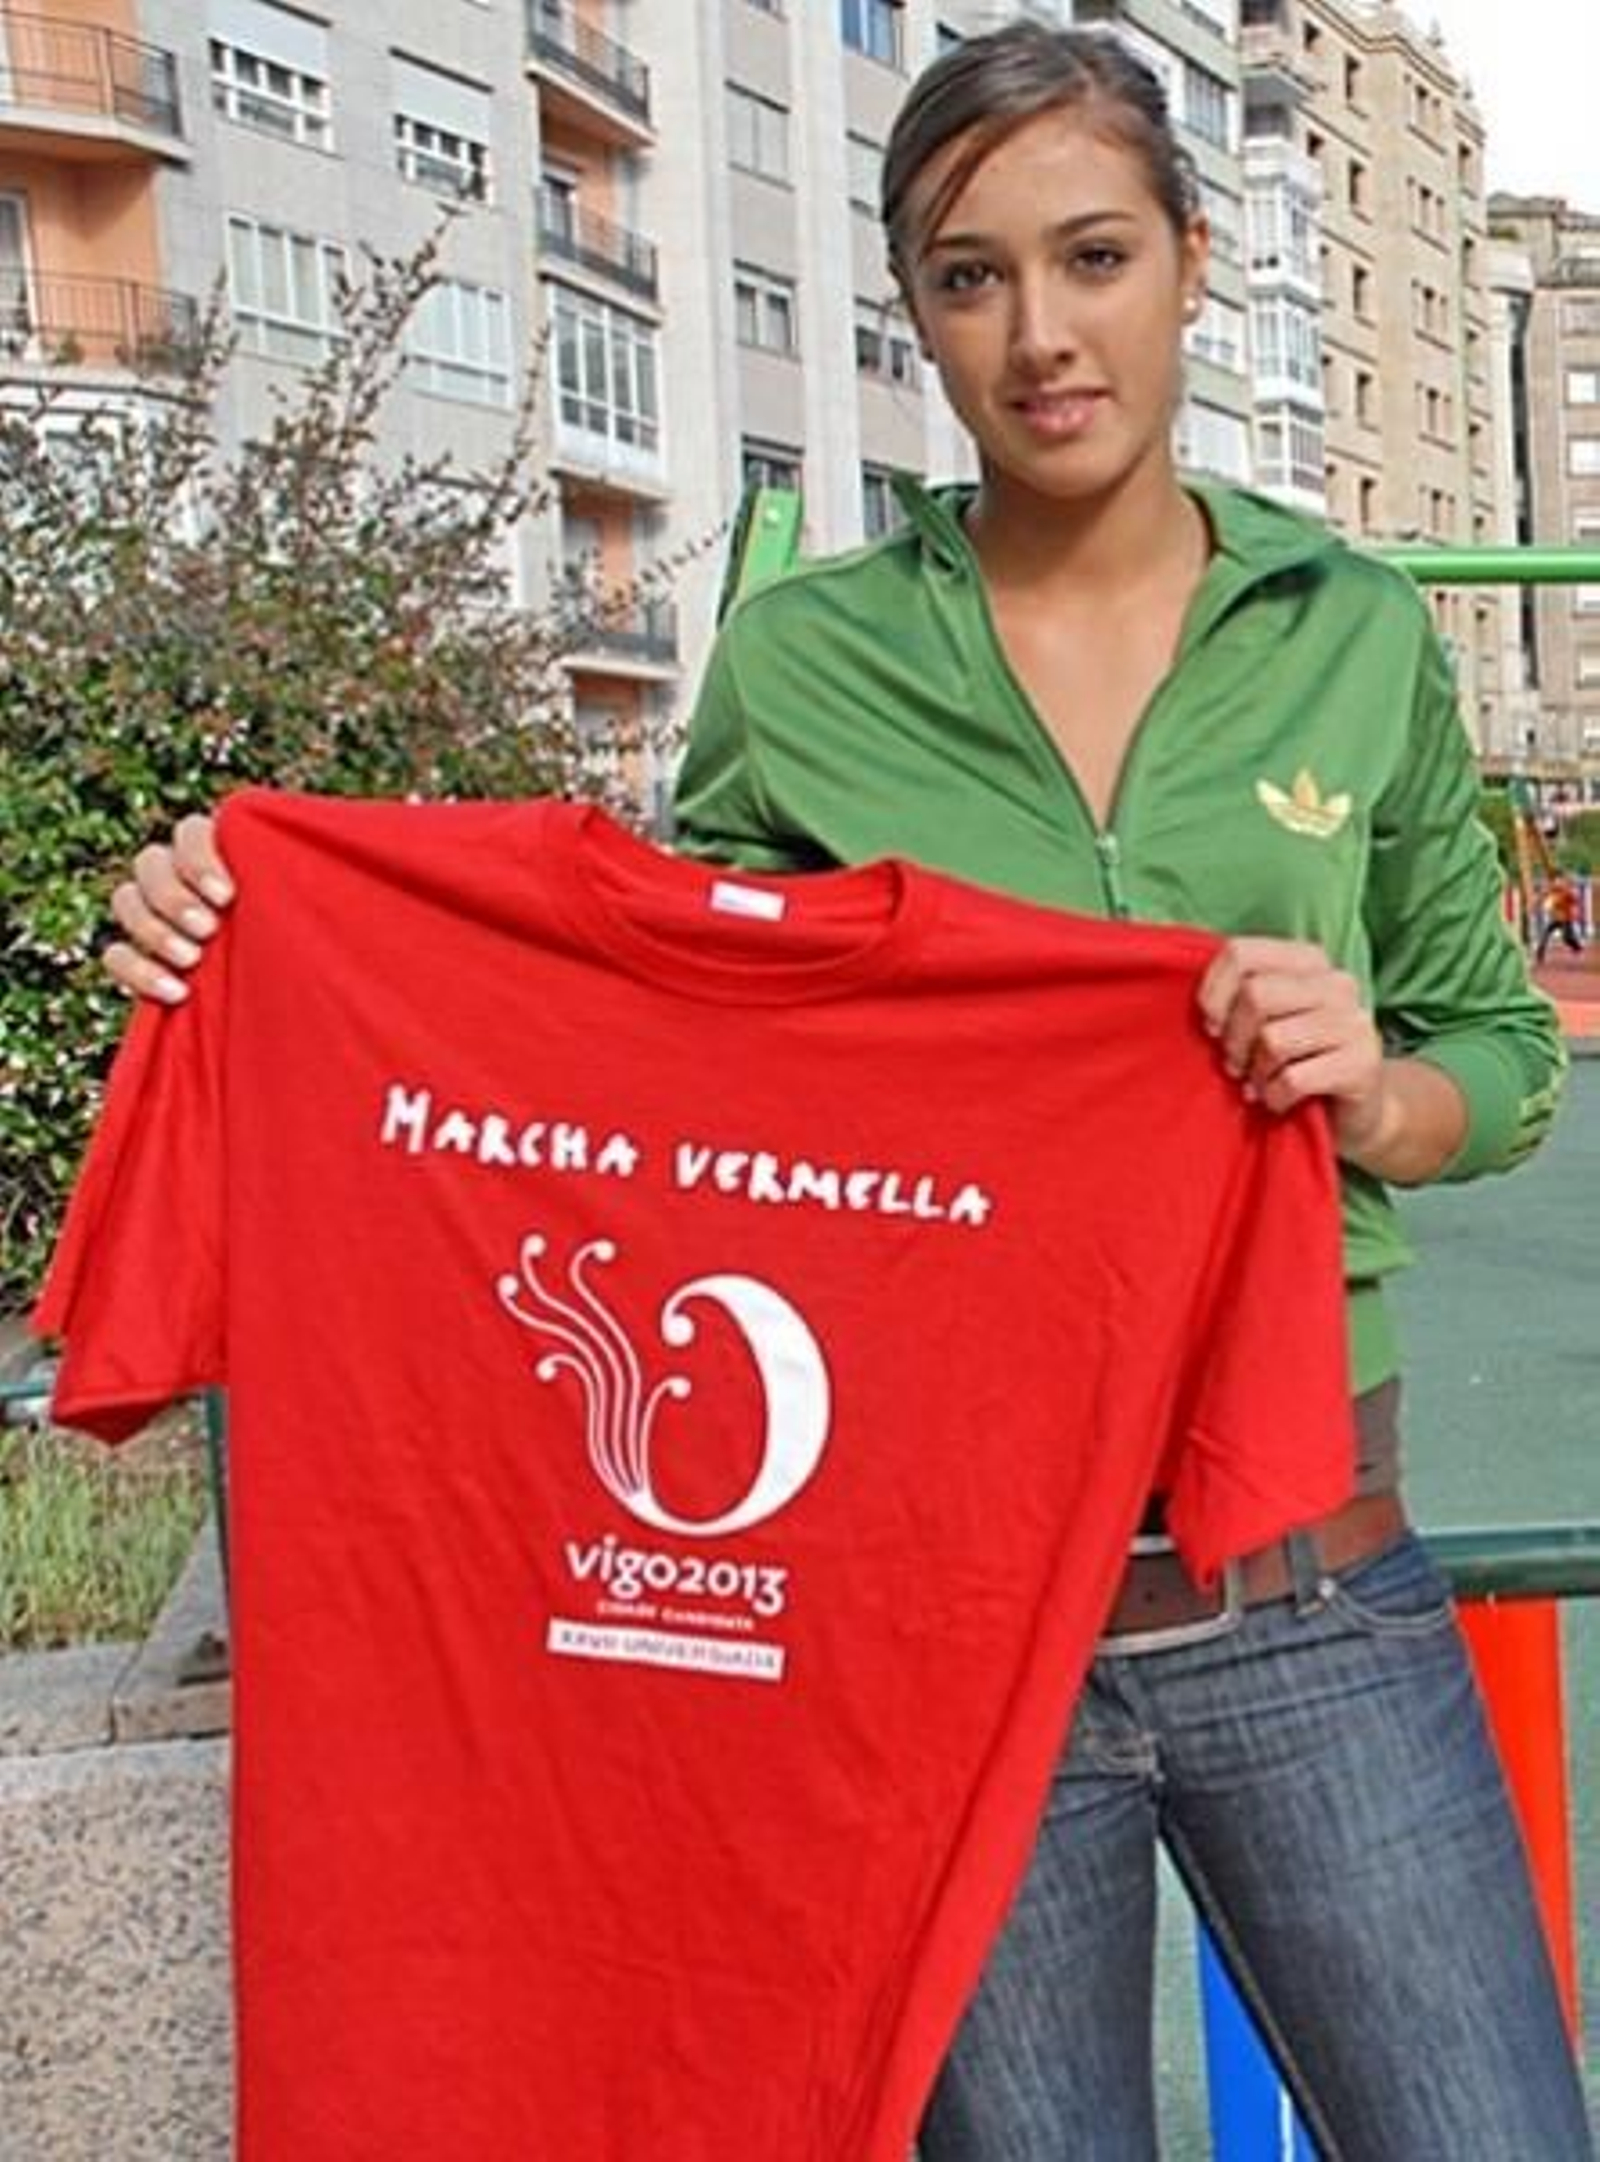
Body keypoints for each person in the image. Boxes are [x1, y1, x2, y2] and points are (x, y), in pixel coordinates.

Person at [99, 21, 1590, 2160]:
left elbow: (1493, 1049)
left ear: (1183, 257)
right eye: (967, 279)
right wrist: (253, 930)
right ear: (914, 316)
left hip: (1306, 1587)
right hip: (929, 1632)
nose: (1038, 333)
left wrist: (1371, 1094)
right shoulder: (809, 666)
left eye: (1089, 256)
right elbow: (640, 1043)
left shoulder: (1344, 627)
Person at [1538, 869, 1586, 963]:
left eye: (1558, 880)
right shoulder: (1551, 890)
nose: (1556, 882)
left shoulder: (1566, 891)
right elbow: (1543, 898)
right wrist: (1542, 900)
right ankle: (1540, 954)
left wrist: (1576, 910)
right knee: (1545, 934)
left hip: (1566, 919)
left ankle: (1577, 948)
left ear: (1562, 880)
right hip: (1555, 918)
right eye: (1555, 880)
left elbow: (1575, 901)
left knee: (1567, 937)